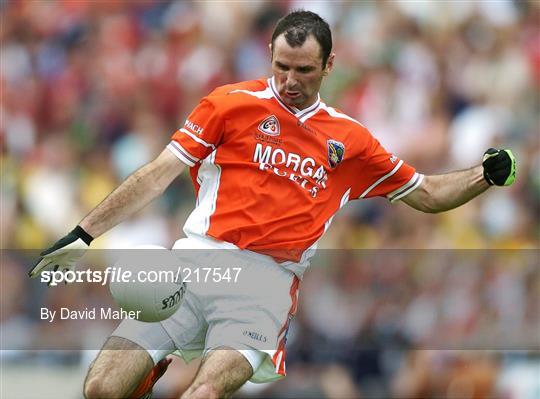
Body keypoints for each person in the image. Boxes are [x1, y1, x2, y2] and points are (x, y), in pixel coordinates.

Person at [29, 10, 516, 399]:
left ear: (328, 66)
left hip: (265, 284)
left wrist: (482, 176)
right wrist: (84, 232)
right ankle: (149, 372)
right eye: (281, 67)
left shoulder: (353, 142)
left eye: (303, 70)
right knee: (101, 387)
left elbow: (429, 194)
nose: (289, 81)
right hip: (196, 260)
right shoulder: (227, 104)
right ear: (269, 56)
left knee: (203, 391)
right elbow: (157, 174)